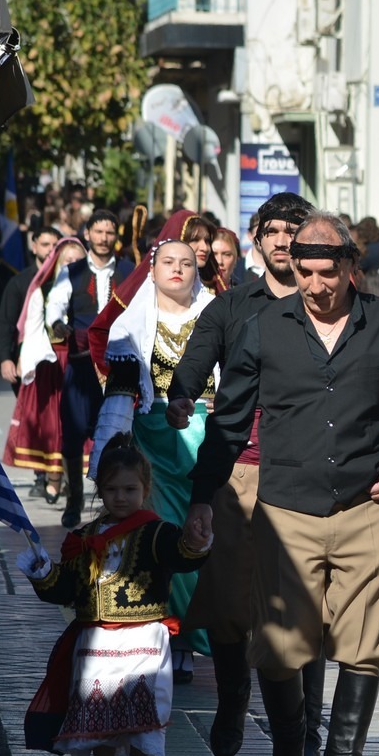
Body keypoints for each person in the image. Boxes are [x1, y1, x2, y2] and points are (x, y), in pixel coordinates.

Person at [184, 211, 379, 756]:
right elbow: (229, 419)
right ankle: (290, 739)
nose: (316, 286)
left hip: (368, 503)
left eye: (328, 273)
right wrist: (201, 496)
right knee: (278, 647)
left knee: (365, 646)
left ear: (350, 266)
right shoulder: (264, 327)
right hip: (286, 508)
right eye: (305, 273)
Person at [167, 192, 317, 756]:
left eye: (293, 229)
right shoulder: (232, 306)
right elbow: (197, 358)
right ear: (257, 239)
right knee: (231, 605)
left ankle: (305, 730)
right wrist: (182, 394)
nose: (282, 239)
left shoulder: (330, 303)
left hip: (310, 473)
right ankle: (233, 699)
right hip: (241, 470)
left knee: (306, 608)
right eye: (272, 230)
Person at [18, 433, 211, 756]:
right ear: (100, 491)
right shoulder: (84, 538)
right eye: (112, 489)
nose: (120, 497)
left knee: (141, 706)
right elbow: (67, 589)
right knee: (98, 708)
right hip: (96, 641)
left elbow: (182, 556)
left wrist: (194, 541)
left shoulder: (157, 532)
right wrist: (44, 573)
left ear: (145, 489)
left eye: (129, 489)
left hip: (143, 638)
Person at [90, 225, 216, 679]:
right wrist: (107, 450)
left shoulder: (217, 316)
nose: (178, 269)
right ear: (152, 270)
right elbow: (121, 394)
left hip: (209, 439)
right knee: (162, 536)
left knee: (207, 534)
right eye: (169, 262)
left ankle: (202, 632)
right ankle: (173, 633)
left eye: (187, 262)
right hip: (153, 441)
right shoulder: (131, 325)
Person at [45, 209, 132, 528]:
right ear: (88, 234)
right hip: (81, 364)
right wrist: (58, 324)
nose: (104, 238)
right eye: (99, 232)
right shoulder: (72, 271)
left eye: (109, 232)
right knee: (72, 433)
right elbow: (55, 305)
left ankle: (111, 502)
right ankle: (75, 499)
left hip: (118, 366)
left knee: (116, 435)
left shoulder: (129, 270)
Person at [4, 235, 83, 501]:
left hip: (81, 362)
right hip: (52, 364)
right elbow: (32, 331)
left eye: (78, 261)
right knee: (53, 424)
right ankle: (53, 477)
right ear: (58, 262)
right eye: (68, 260)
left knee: (77, 424)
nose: (72, 265)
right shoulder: (43, 290)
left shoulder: (91, 291)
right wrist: (25, 363)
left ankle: (72, 480)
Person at [0, 224, 60, 392]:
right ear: (34, 247)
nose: (50, 250)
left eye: (55, 245)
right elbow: (6, 322)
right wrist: (5, 359)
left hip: (59, 361)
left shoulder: (67, 280)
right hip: (26, 361)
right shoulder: (19, 282)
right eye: (45, 244)